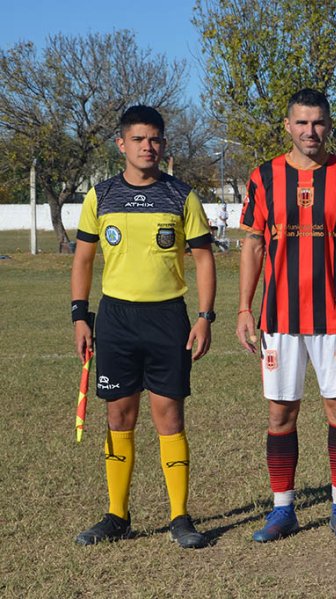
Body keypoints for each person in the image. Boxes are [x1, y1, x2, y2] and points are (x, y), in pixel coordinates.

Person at [71, 105, 216, 549]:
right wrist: (80, 315)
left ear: (163, 145)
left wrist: (205, 316)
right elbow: (83, 259)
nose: (147, 147)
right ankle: (117, 516)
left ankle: (179, 517)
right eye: (138, 139)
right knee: (118, 415)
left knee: (169, 416)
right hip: (116, 318)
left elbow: (204, 259)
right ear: (121, 144)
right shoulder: (101, 196)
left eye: (154, 139)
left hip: (167, 318)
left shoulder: (182, 197)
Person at [236, 89, 336, 543]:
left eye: (318, 123)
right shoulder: (262, 178)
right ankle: (283, 510)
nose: (310, 131)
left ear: (329, 125)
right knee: (281, 414)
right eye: (301, 123)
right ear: (287, 125)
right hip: (278, 317)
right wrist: (244, 307)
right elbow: (253, 245)